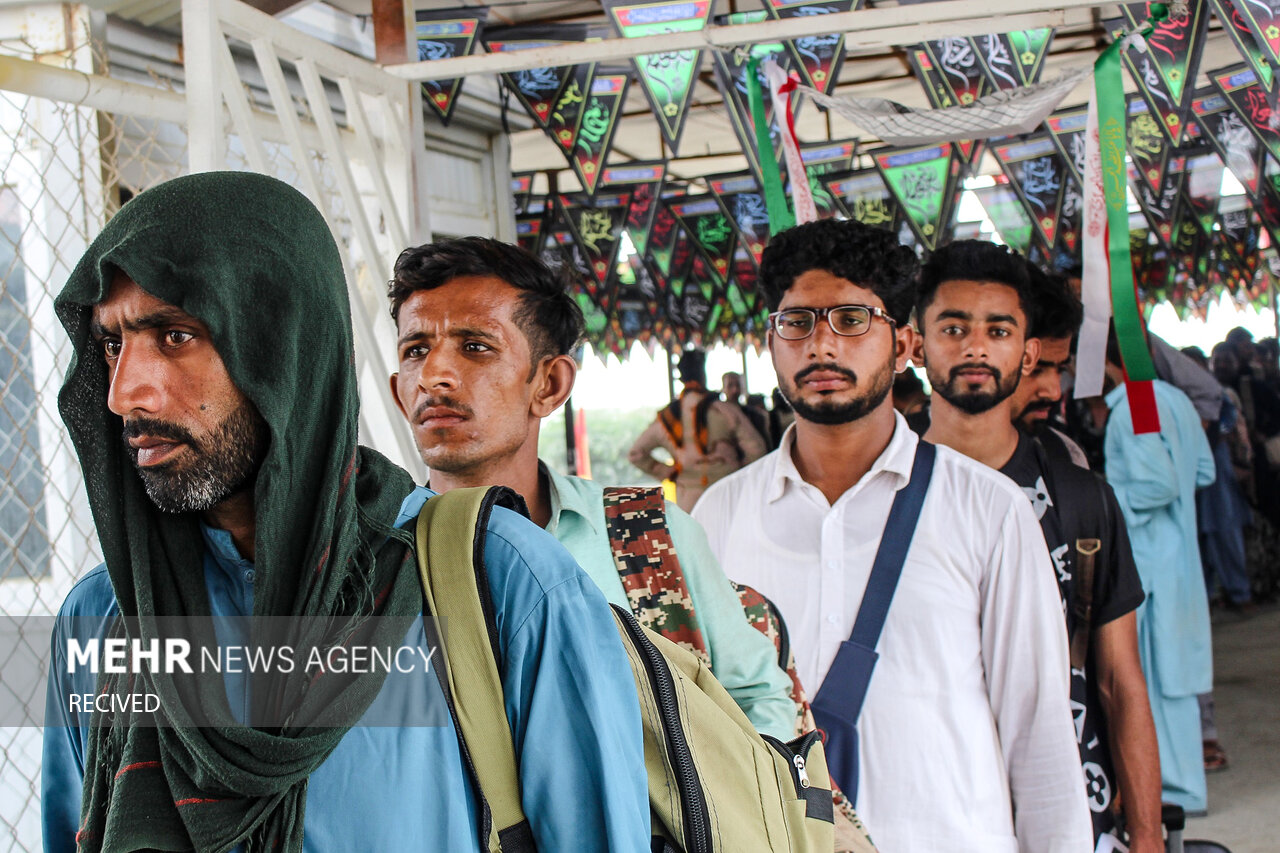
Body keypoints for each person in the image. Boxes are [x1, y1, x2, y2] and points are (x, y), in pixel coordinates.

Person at [41, 173, 649, 853]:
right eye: (113, 343)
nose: (127, 392)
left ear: (283, 348)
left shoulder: (502, 586)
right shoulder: (103, 620)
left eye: (176, 335)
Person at [691, 218, 1091, 852]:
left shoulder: (988, 509)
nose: (822, 345)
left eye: (852, 320)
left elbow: (1038, 732)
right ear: (770, 342)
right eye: (797, 323)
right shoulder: (719, 517)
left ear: (903, 345)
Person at [384, 236, 795, 740]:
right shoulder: (369, 560)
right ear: (399, 397)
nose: (435, 375)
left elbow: (757, 700)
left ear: (550, 385)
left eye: (475, 347)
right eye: (416, 349)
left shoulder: (647, 537)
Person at [918, 242, 1162, 852]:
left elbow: (1119, 680)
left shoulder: (1079, 496)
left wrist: (1151, 836)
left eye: (996, 330)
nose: (975, 346)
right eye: (954, 328)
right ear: (913, 343)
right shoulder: (881, 495)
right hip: (930, 804)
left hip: (1076, 795)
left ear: (1024, 351)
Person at [1098, 327, 1216, 815]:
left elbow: (1157, 484)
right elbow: (1201, 472)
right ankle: (1182, 787)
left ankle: (1177, 791)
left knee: (1157, 677)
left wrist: (1102, 498)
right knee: (1173, 675)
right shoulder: (1175, 400)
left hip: (1151, 561)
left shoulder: (1135, 406)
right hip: (1178, 556)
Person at [629, 348, 766, 510]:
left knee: (696, 535)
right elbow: (757, 450)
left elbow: (636, 454)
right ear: (703, 374)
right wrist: (739, 472)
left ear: (681, 377)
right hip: (729, 493)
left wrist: (671, 473)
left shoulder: (667, 418)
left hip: (689, 499)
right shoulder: (725, 411)